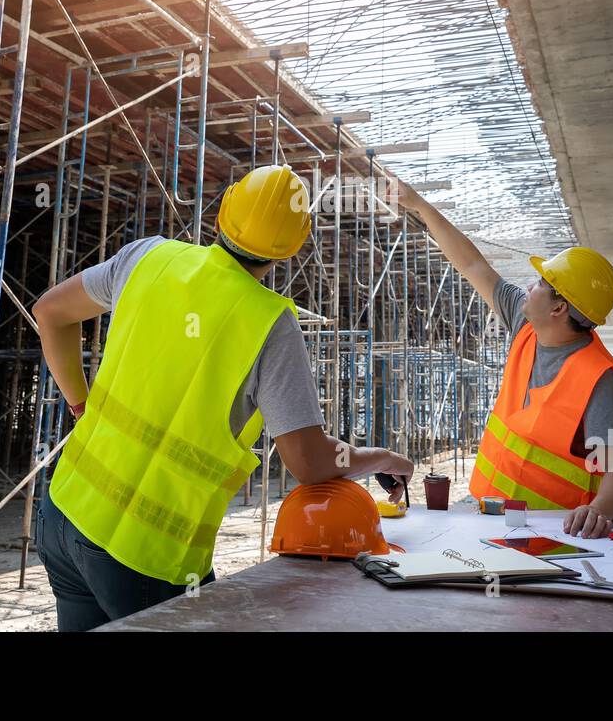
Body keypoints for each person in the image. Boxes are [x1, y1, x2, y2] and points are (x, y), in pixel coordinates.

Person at [33, 164, 414, 630]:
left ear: (221, 214)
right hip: (146, 556)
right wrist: (384, 458)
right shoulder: (269, 324)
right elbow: (310, 461)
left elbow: (50, 312)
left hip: (63, 510)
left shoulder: (147, 258)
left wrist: (80, 404)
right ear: (292, 249)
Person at [390, 178, 613, 539]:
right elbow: (473, 264)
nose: (528, 285)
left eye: (541, 282)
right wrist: (419, 206)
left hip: (550, 534)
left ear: (559, 307)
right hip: (485, 515)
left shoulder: (597, 379)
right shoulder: (525, 324)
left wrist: (598, 511)